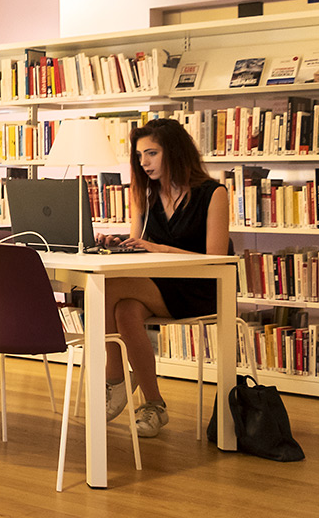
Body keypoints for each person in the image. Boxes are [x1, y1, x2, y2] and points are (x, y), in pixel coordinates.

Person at [95, 118, 231, 437]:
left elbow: (216, 259)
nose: (144, 162)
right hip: (158, 284)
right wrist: (120, 244)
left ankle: (114, 378)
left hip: (200, 288)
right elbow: (139, 245)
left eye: (152, 153)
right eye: (140, 155)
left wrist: (158, 248)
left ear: (174, 152)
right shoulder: (145, 194)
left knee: (109, 287)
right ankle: (154, 405)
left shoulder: (213, 193)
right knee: (125, 310)